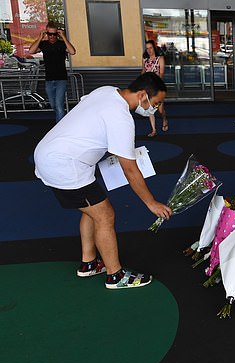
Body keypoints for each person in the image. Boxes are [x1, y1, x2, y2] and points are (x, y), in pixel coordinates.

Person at [33, 72, 173, 289]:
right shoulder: (121, 118)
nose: (155, 108)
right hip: (65, 164)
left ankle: (89, 263)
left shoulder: (107, 91)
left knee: (91, 210)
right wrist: (151, 203)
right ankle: (115, 275)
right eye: (156, 103)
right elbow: (130, 169)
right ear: (143, 95)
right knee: (105, 215)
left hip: (49, 153)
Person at [28, 22, 76, 123]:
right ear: (47, 34)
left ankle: (60, 129)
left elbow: (72, 51)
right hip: (49, 79)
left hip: (61, 79)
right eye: (50, 34)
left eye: (54, 34)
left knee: (59, 105)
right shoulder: (44, 44)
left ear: (57, 34)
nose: (52, 36)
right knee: (54, 105)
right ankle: (62, 123)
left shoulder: (62, 44)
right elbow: (31, 51)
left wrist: (63, 36)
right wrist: (40, 37)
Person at [141, 40, 168, 137]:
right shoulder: (145, 59)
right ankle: (154, 130)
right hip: (148, 87)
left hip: (157, 87)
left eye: (150, 48)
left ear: (154, 48)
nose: (149, 50)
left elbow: (161, 73)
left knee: (160, 110)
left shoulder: (160, 58)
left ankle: (164, 119)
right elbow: (143, 71)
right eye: (147, 48)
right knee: (150, 109)